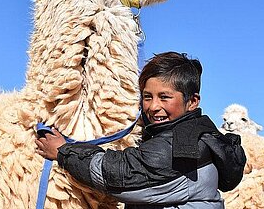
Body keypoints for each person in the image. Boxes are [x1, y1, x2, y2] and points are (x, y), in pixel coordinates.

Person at [35, 51, 246, 208]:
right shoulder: (198, 133)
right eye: (147, 97)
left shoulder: (184, 144)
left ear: (192, 102)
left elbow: (119, 175)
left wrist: (63, 152)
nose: (153, 106)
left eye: (165, 97)